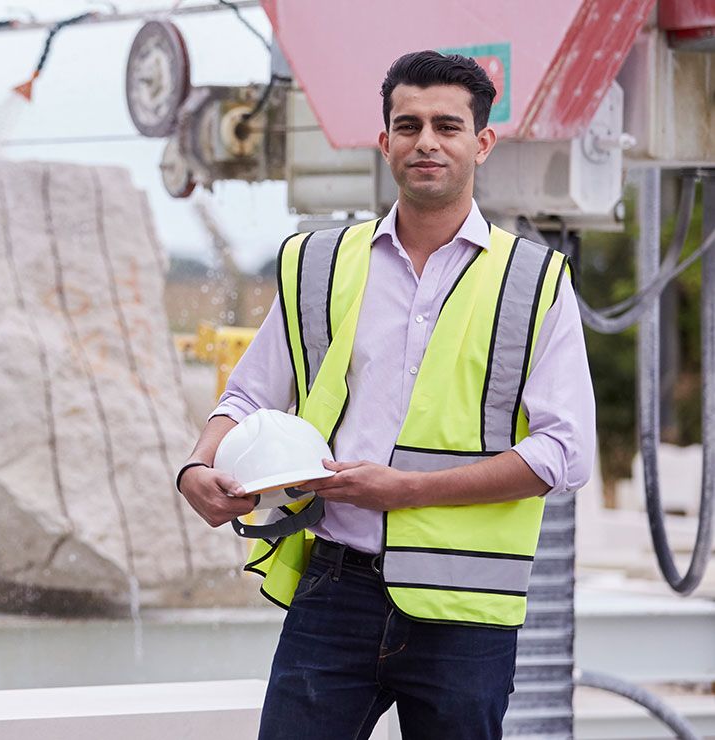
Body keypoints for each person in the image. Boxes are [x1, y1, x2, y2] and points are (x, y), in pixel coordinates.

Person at [175, 50, 595, 739]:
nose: (426, 141)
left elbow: (565, 453)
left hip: (465, 611)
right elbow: (248, 395)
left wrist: (407, 491)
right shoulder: (314, 262)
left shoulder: (535, 282)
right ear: (385, 141)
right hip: (334, 591)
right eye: (408, 125)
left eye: (447, 126)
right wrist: (197, 466)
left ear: (481, 142)